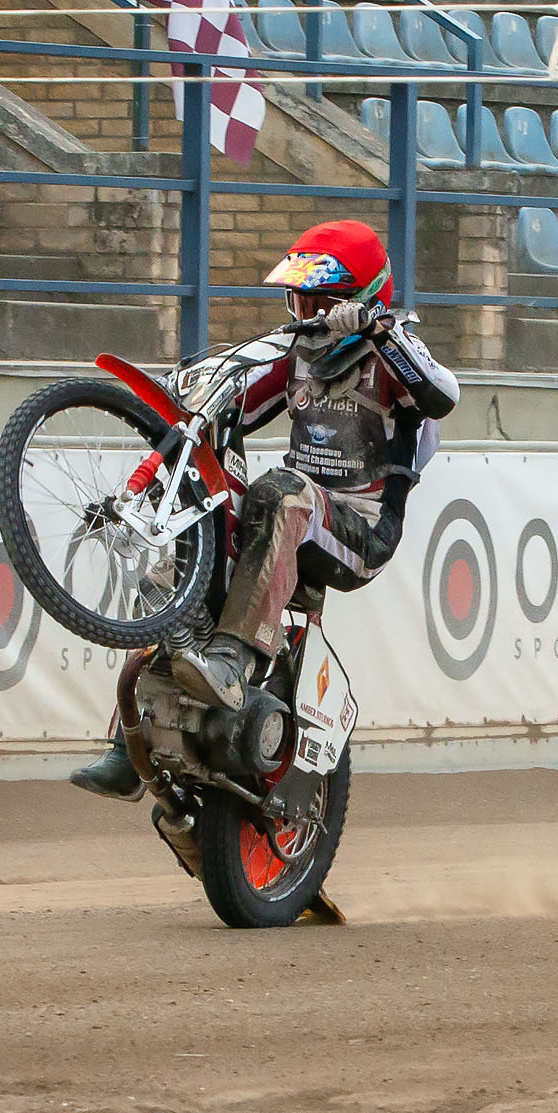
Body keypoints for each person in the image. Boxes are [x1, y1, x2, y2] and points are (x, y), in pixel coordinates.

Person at [71, 219, 458, 796]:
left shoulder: (395, 354)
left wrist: (379, 332)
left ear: (358, 297)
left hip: (360, 531)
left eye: (320, 299)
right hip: (292, 517)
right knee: (203, 507)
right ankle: (132, 740)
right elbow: (236, 410)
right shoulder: (299, 355)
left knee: (281, 488)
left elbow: (442, 394)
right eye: (300, 297)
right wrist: (191, 407)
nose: (306, 310)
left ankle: (231, 661)